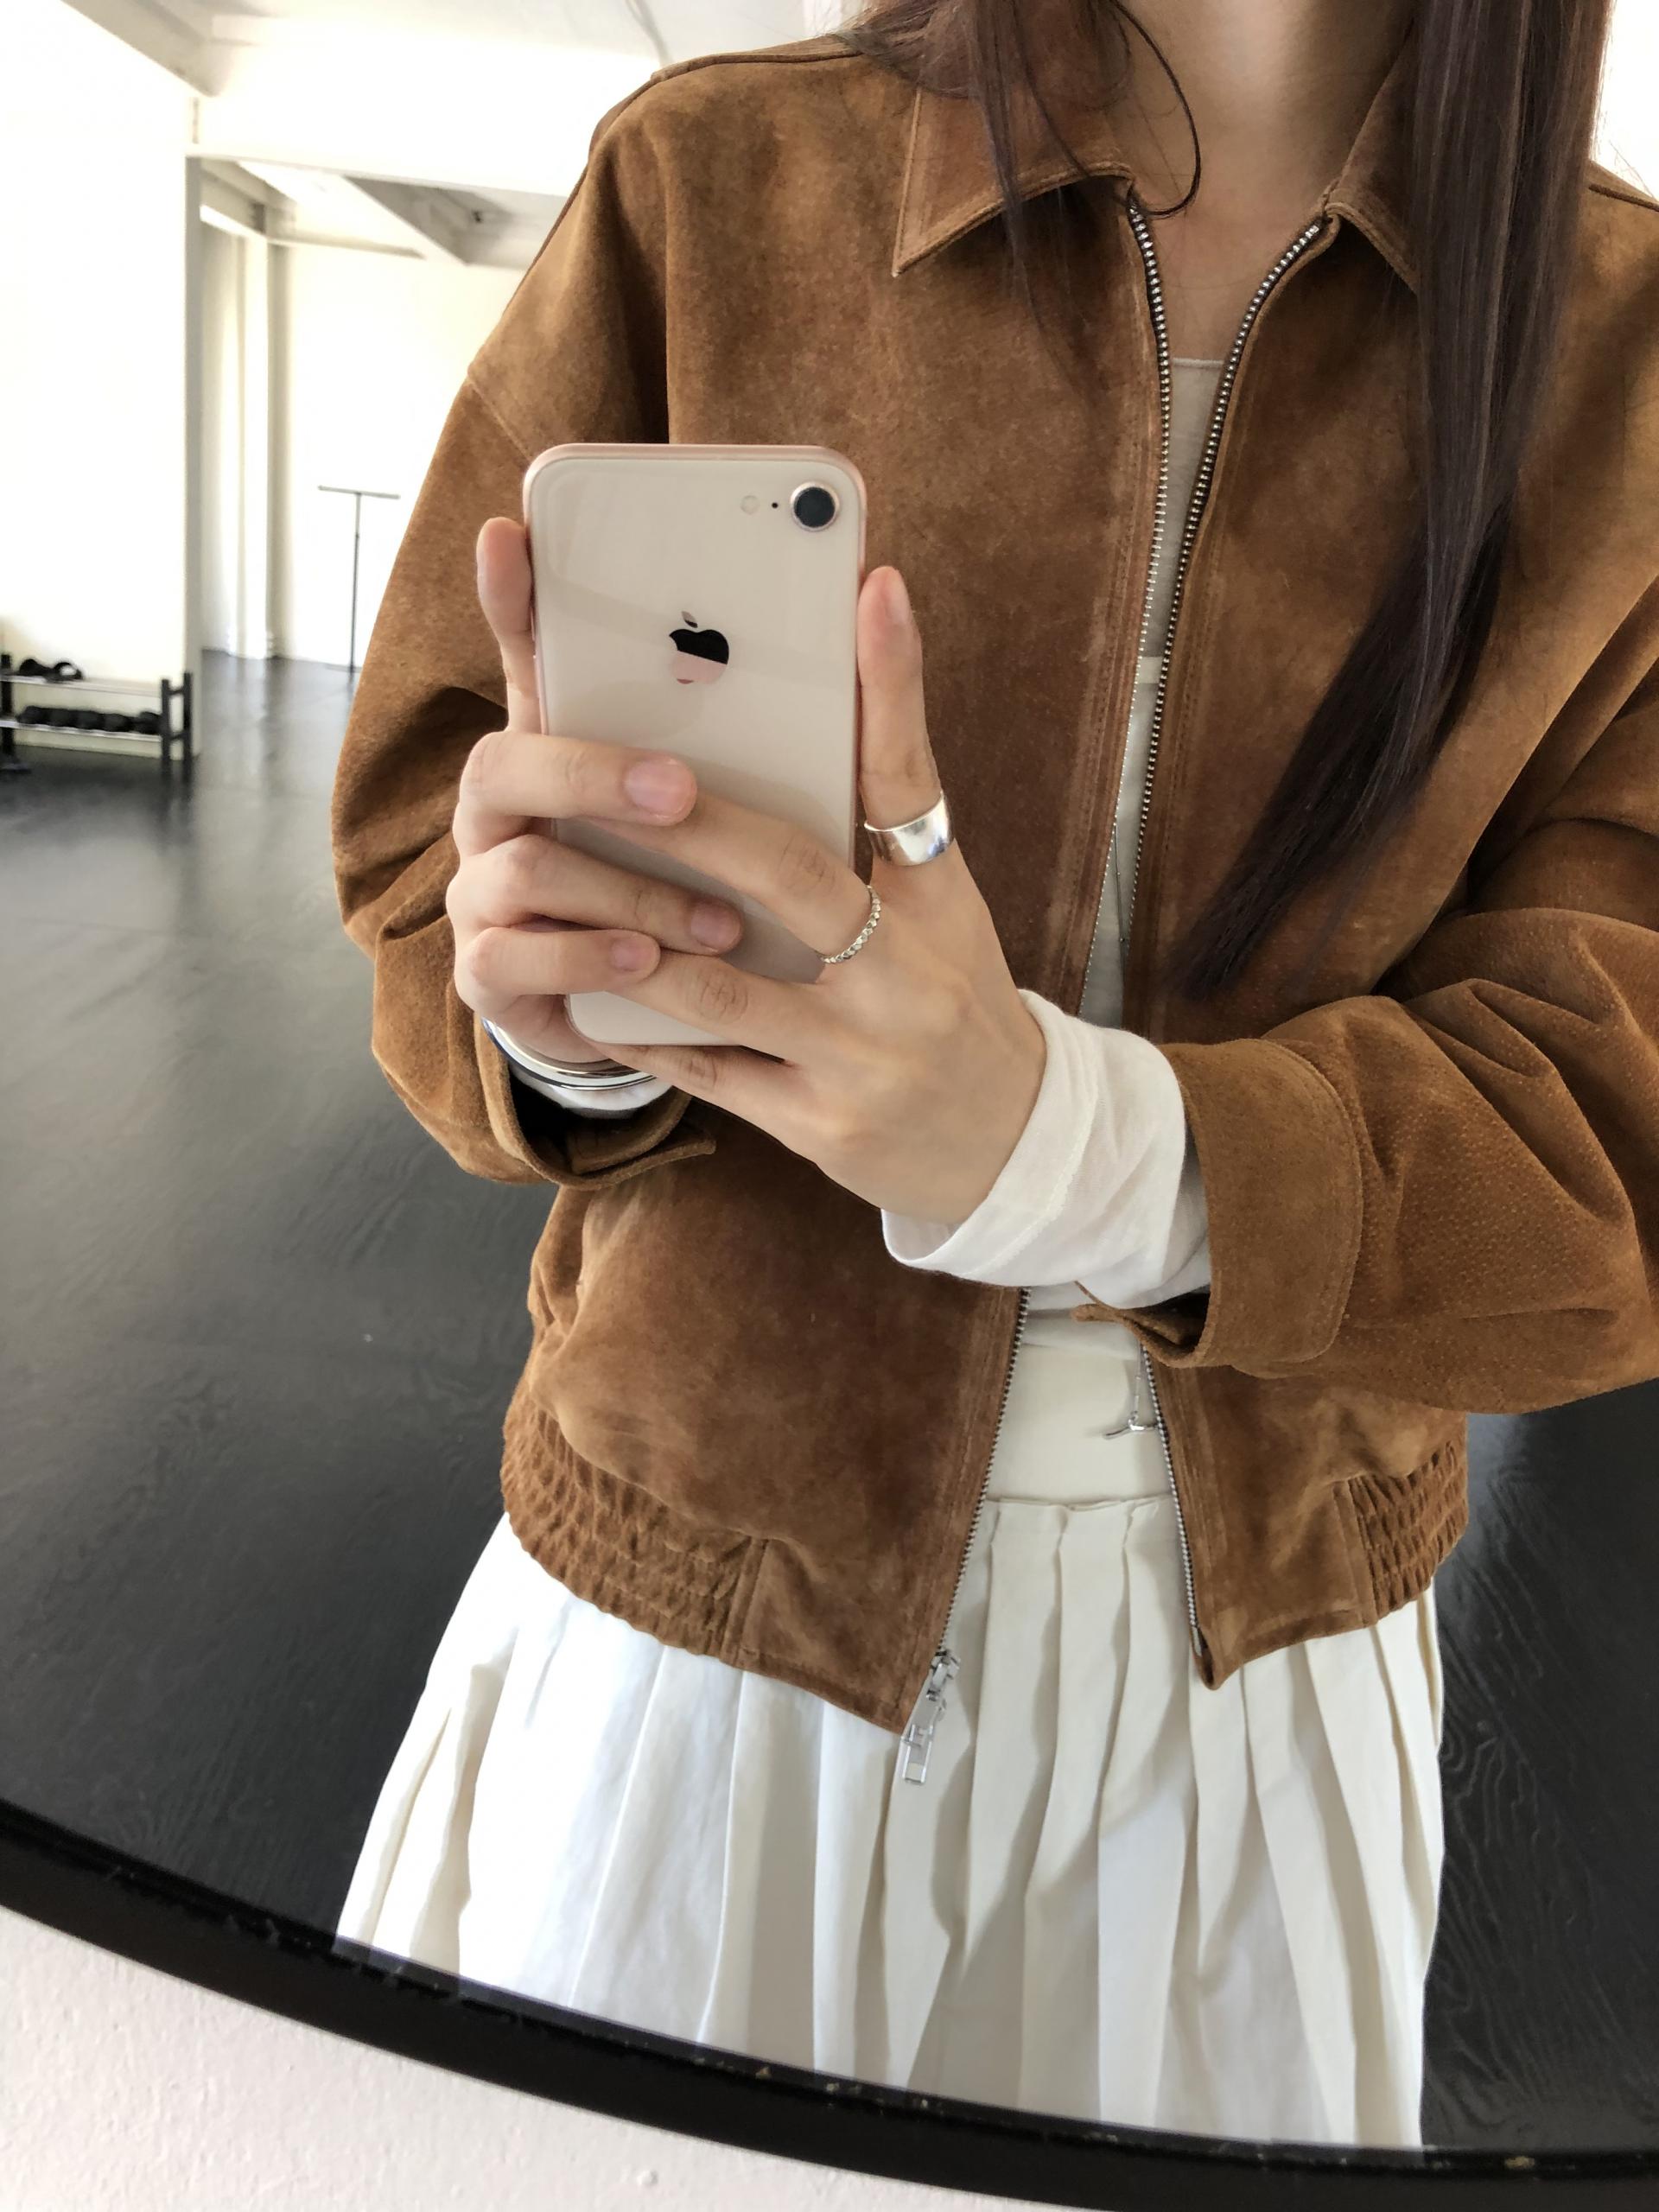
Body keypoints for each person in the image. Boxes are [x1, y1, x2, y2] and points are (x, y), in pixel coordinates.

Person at [329, 0, 1659, 2152]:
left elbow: (1613, 1138)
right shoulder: (718, 185)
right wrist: (562, 1014)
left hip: (1256, 1692)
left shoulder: (1627, 357)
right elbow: (415, 862)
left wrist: (1053, 1139)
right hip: (702, 1605)